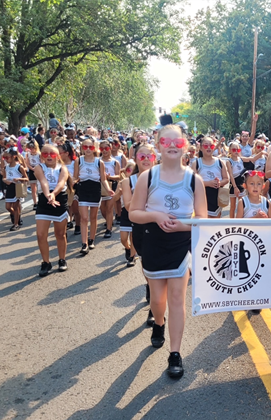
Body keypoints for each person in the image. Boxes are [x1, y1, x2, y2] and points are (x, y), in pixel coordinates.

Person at [128, 124, 207, 379]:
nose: (173, 146)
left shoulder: (194, 180)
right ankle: (158, 323)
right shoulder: (147, 177)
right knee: (158, 301)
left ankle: (175, 353)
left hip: (180, 245)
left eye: (178, 142)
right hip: (153, 243)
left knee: (177, 299)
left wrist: (182, 225)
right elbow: (134, 213)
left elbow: (203, 219)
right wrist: (156, 215)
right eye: (167, 142)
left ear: (185, 146)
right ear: (159, 144)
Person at [121, 144, 157, 325]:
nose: (145, 159)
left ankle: (155, 309)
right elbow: (128, 207)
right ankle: (151, 288)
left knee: (160, 267)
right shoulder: (128, 182)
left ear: (154, 157)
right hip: (141, 228)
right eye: (141, 156)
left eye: (148, 156)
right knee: (147, 266)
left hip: (161, 227)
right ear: (136, 159)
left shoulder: (164, 177)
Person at [33, 144, 70, 276]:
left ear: (58, 156)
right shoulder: (39, 167)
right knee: (41, 234)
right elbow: (43, 181)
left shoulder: (63, 169)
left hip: (59, 199)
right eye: (45, 154)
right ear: (41, 156)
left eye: (52, 154)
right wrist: (48, 194)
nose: (49, 156)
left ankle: (62, 259)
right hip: (44, 200)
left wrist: (53, 194)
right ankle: (46, 262)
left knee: (60, 234)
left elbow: (61, 183)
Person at [75, 138, 113, 254]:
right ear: (82, 148)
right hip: (83, 189)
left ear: (94, 148)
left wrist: (108, 189)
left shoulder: (99, 162)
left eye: (90, 147)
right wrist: (70, 182)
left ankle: (92, 239)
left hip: (95, 189)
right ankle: (84, 243)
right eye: (85, 147)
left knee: (93, 217)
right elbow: (75, 177)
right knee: (84, 218)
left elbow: (103, 179)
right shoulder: (78, 161)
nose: (87, 149)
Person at [191, 136, 229, 218]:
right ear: (201, 148)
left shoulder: (219, 162)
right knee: (203, 222)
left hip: (217, 196)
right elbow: (192, 182)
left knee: (216, 224)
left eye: (211, 146)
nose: (208, 148)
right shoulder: (196, 163)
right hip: (202, 196)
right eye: (205, 146)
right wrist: (208, 183)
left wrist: (219, 183)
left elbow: (226, 179)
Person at [99, 139, 121, 238]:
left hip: (112, 185)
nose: (104, 150)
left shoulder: (115, 162)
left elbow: (118, 176)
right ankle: (109, 221)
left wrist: (109, 177)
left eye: (106, 148)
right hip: (100, 186)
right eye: (102, 148)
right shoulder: (97, 161)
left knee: (109, 209)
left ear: (110, 148)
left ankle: (109, 229)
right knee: (102, 209)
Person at [2, 148, 28, 231]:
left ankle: (16, 224)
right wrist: (5, 180)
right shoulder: (6, 167)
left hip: (17, 187)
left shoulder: (19, 167)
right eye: (5, 158)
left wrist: (19, 179)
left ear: (14, 157)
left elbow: (26, 178)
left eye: (7, 158)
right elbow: (4, 177)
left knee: (16, 206)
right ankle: (17, 215)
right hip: (9, 187)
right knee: (8, 207)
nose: (6, 160)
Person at [59, 141, 79, 232]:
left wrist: (73, 182)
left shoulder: (75, 162)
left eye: (60, 153)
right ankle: (68, 221)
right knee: (66, 206)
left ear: (67, 153)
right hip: (63, 187)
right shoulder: (58, 164)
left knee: (75, 208)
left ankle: (78, 225)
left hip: (74, 187)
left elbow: (77, 175)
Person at [226, 141, 246, 218]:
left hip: (242, 183)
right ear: (230, 151)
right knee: (233, 206)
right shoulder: (229, 161)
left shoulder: (241, 159)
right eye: (234, 150)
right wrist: (235, 187)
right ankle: (231, 222)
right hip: (234, 184)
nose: (236, 151)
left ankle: (240, 220)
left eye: (238, 149)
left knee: (242, 205)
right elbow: (231, 175)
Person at [23, 140, 42, 208]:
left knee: (40, 186)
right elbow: (27, 163)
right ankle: (35, 203)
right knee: (33, 188)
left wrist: (37, 169)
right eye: (30, 148)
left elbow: (42, 162)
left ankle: (41, 201)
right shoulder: (28, 154)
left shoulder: (39, 154)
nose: (31, 150)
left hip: (39, 169)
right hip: (32, 170)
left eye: (33, 148)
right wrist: (32, 168)